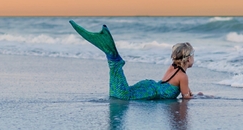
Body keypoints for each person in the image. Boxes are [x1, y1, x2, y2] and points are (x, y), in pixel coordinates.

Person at [70, 20, 201, 100]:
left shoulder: (173, 67)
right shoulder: (183, 76)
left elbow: (186, 91)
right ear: (188, 58)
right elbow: (186, 98)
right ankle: (114, 61)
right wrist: (199, 98)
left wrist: (197, 94)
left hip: (149, 86)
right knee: (123, 96)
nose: (194, 58)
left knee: (121, 93)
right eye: (193, 55)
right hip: (150, 91)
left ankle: (113, 60)